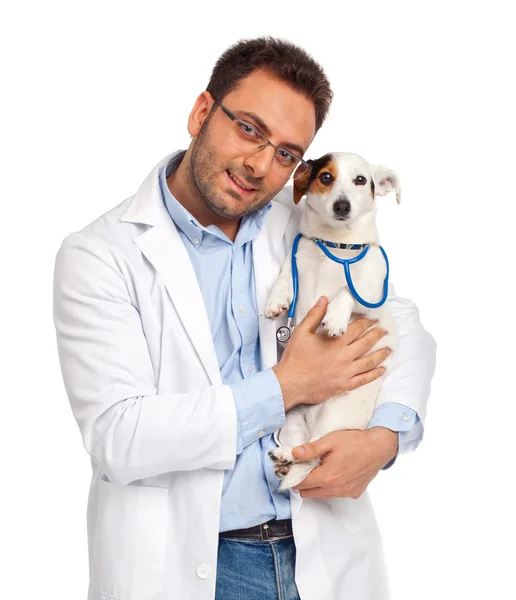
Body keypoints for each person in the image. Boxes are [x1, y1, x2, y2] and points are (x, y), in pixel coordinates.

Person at [52, 37, 436, 600]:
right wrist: (288, 385)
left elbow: (397, 315)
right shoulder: (99, 255)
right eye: (249, 129)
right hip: (193, 564)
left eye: (286, 153)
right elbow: (119, 436)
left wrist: (385, 436)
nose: (260, 165)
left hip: (321, 551)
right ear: (202, 112)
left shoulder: (301, 219)